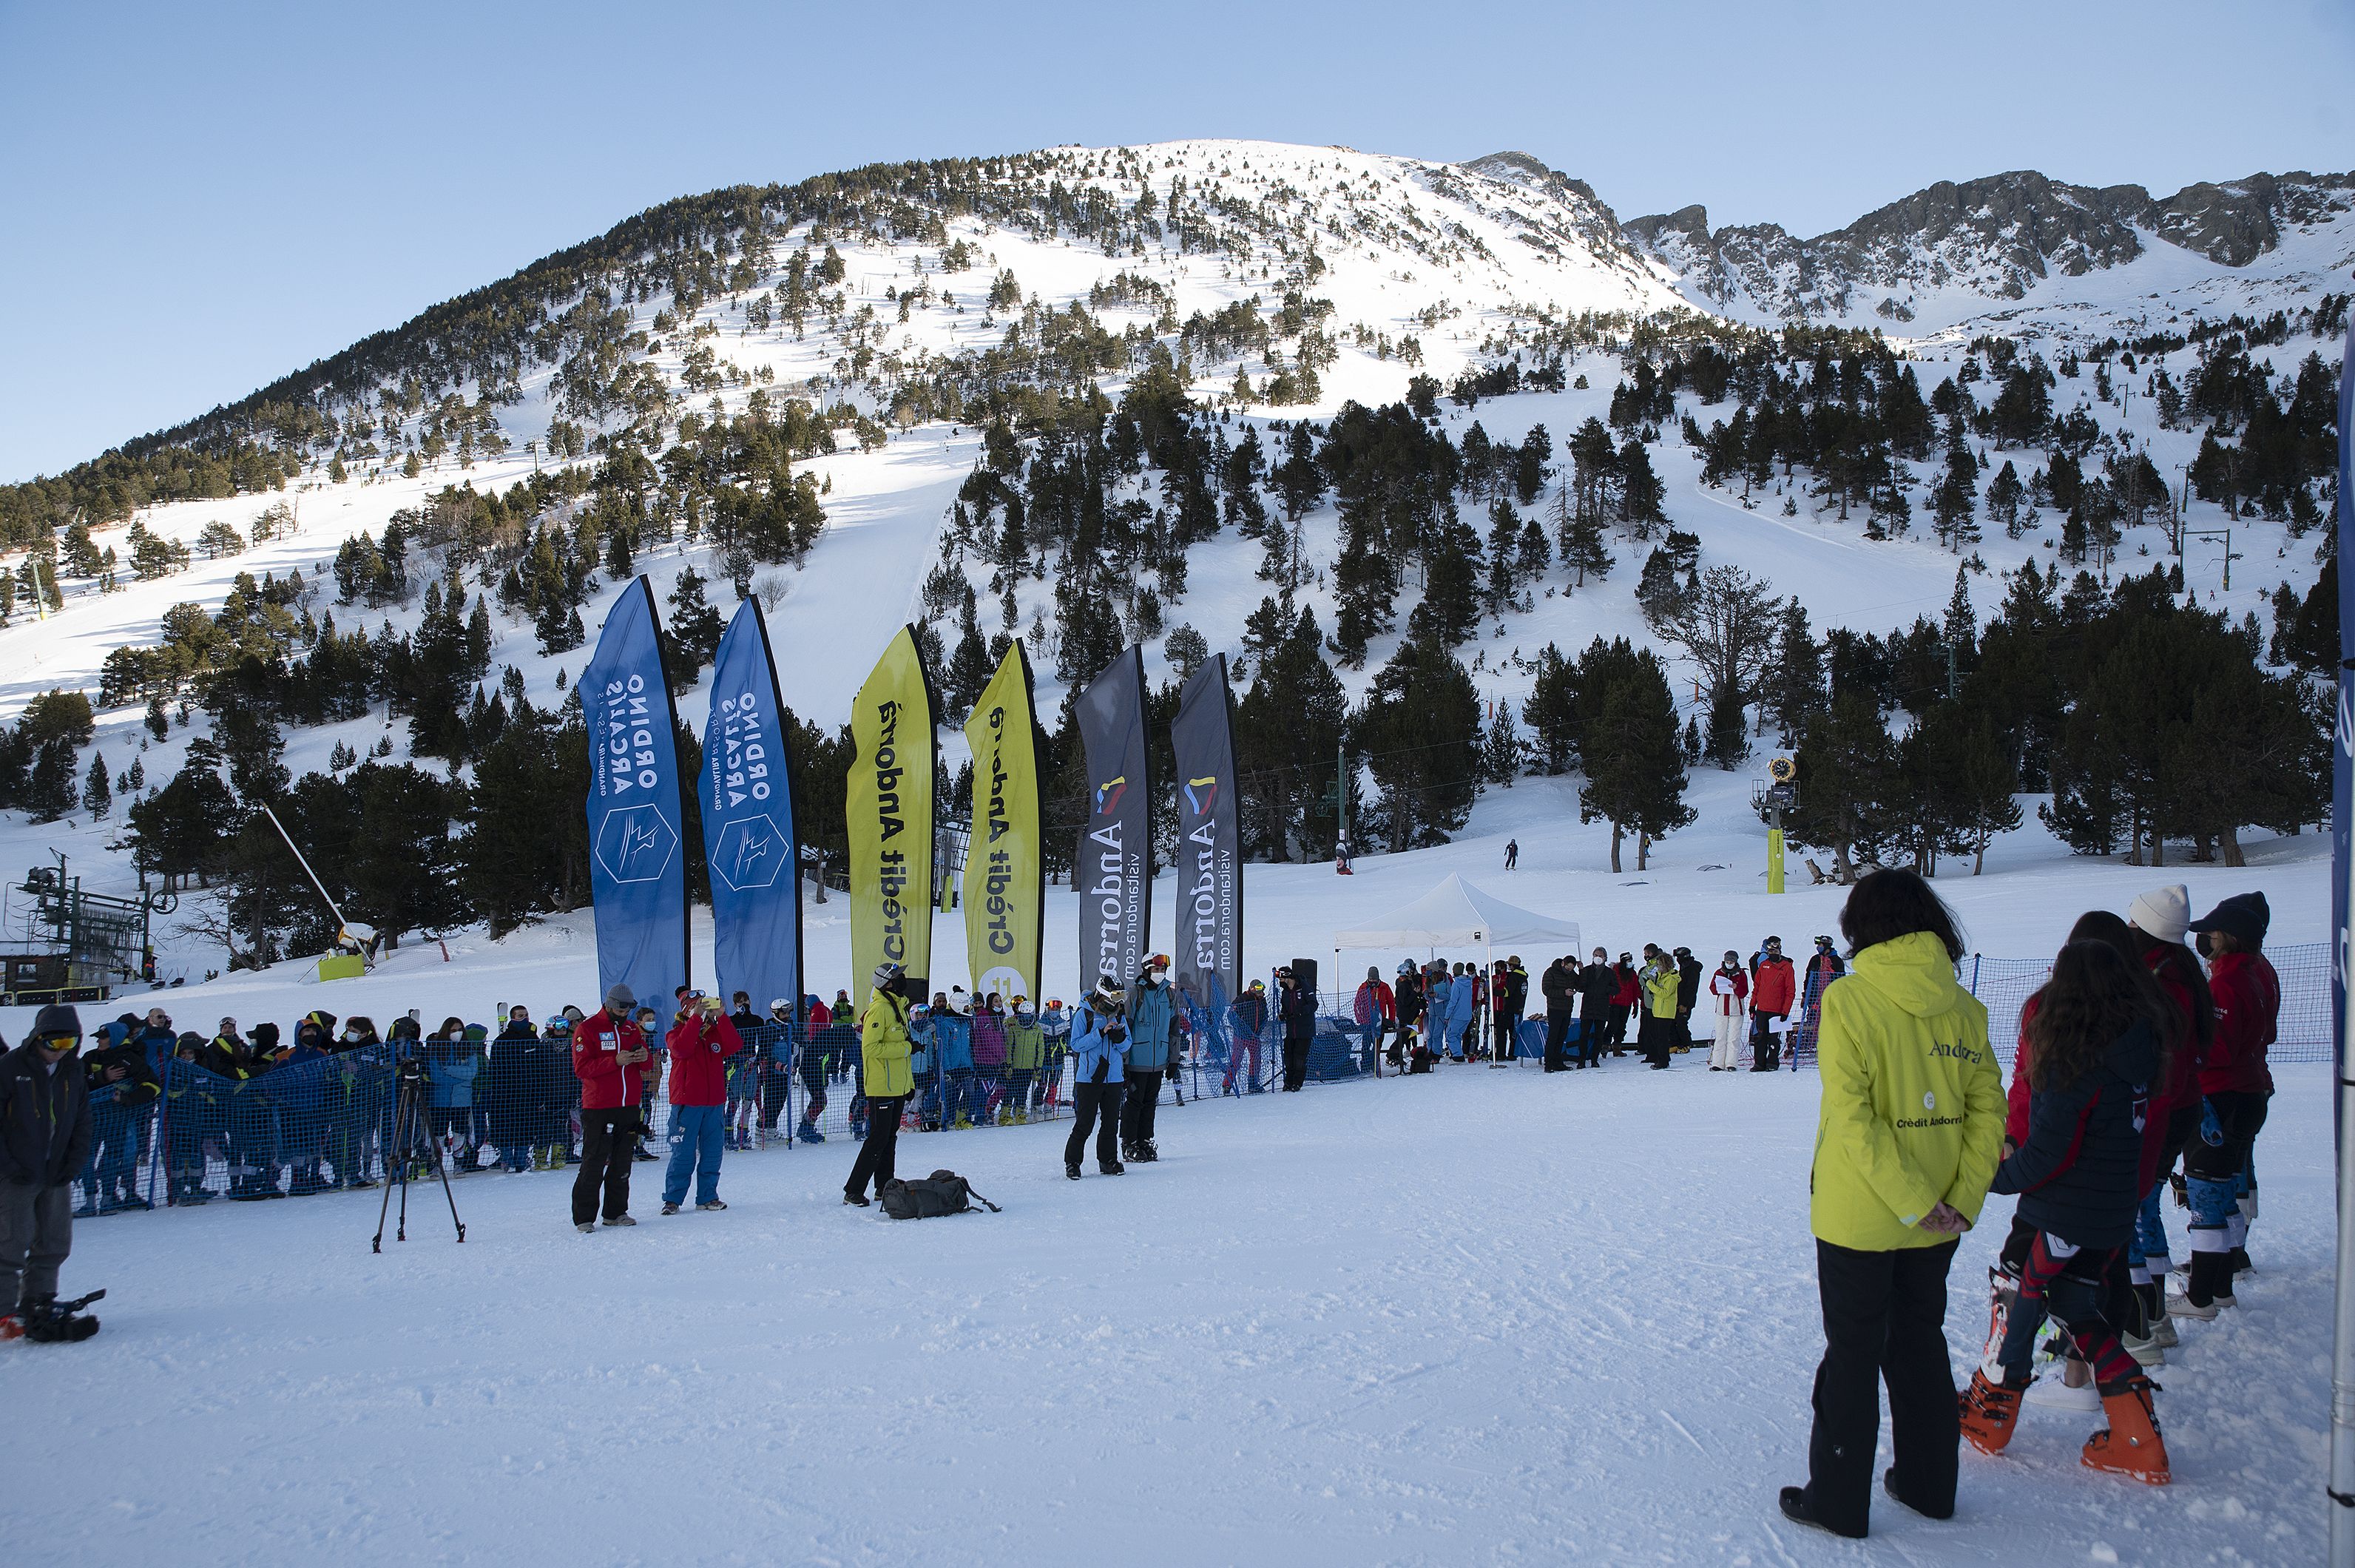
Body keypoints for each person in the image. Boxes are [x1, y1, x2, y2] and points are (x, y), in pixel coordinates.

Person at [1780, 871, 2002, 1541]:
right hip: (1938, 1219)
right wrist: (1956, 1202)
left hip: (1863, 1216)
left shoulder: (1849, 1000)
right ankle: (1930, 1486)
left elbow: (1854, 1117)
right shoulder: (1963, 1008)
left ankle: (1839, 1502)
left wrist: (1915, 1202)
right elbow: (1989, 1112)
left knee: (1852, 1352)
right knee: (1918, 1347)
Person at [1959, 938, 2170, 1484]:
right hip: (2111, 1212)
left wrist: (1992, 1179)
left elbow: (2050, 1154)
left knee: (2021, 1302)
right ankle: (2139, 1435)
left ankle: (1991, 1415)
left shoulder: (2075, 1059)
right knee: (2077, 1308)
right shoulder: (2136, 1046)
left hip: (2066, 1215)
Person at [2173, 892, 2276, 1319]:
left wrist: (2178, 1048)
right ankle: (2221, 1285)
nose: (2204, 940)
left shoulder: (2225, 984)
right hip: (2250, 1091)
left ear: (2229, 937)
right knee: (2226, 1189)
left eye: (2210, 934)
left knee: (2205, 1195)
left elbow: (2216, 1051)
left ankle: (2201, 1297)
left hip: (2219, 1099)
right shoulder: (2260, 972)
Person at [0, 1005, 95, 1338]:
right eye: (55, 1044)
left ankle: (38, 1301)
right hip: (16, 1174)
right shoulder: (11, 1067)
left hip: (55, 1172)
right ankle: (3, 1312)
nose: (60, 1052)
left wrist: (72, 1163)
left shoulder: (73, 1070)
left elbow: (82, 1121)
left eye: (70, 1043)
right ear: (38, 1039)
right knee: (9, 1243)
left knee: (54, 1242)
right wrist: (9, 1166)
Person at [570, 983, 652, 1232]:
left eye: (628, 1009)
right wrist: (614, 1061)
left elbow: (646, 1063)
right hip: (599, 1106)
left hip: (628, 1105)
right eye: (621, 1008)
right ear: (610, 1005)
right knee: (594, 1160)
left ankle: (616, 1212)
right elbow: (582, 1068)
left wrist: (642, 1057)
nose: (625, 1013)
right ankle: (584, 1216)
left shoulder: (631, 1029)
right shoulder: (588, 1028)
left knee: (622, 1161)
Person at [660, 990, 743, 1214]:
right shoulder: (675, 1033)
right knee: (683, 1154)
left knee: (713, 1152)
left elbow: (735, 1046)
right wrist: (696, 1019)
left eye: (704, 1007)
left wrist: (722, 1017)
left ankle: (708, 1196)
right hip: (687, 1104)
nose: (703, 1011)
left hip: (714, 1103)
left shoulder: (714, 1033)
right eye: (697, 1007)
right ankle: (673, 1199)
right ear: (687, 1011)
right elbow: (681, 1049)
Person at [845, 965, 913, 1207]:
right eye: (897, 977)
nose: (902, 980)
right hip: (880, 1087)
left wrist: (909, 1084)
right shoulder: (879, 1010)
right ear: (888, 983)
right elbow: (871, 1048)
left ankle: (884, 1185)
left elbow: (904, 1047)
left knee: (889, 1138)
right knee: (877, 1138)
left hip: (896, 1086)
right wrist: (905, 1049)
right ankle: (853, 1190)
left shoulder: (898, 1007)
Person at [78, 1022, 158, 1214]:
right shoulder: (90, 1057)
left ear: (114, 1038)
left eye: (103, 1037)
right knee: (85, 1158)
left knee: (112, 1159)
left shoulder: (130, 1059)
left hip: (118, 1118)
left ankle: (108, 1200)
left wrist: (127, 1098)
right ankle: (90, 1201)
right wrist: (102, 1077)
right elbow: (76, 1082)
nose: (99, 1040)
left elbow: (153, 1087)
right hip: (91, 1118)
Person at [1066, 977, 1129, 1177]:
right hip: (1089, 1079)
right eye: (1115, 996)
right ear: (1103, 993)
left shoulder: (1119, 1015)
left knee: (1111, 1123)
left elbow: (1128, 1045)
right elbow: (1076, 1044)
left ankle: (1108, 1160)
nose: (1118, 1001)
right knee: (1085, 1123)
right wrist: (1100, 1034)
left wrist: (1118, 1038)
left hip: (1113, 1079)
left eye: (1121, 996)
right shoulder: (1084, 1014)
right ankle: (1073, 1163)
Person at [1124, 957, 1176, 1160]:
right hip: (1138, 1059)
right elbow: (1126, 1026)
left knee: (1150, 1103)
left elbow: (1174, 1029)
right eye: (1156, 968)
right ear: (1146, 970)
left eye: (1162, 969)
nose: (1160, 972)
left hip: (1158, 1061)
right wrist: (1124, 1061)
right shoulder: (1136, 993)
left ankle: (1145, 1140)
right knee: (1134, 1102)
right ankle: (1129, 1142)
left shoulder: (1169, 994)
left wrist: (1174, 1059)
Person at [1798, 934, 1848, 1065]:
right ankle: (1813, 1044)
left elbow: (1841, 980)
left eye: (1820, 945)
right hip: (1814, 997)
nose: (1818, 947)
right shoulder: (1814, 960)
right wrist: (1805, 995)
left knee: (1831, 1023)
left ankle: (1831, 1047)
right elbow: (1808, 977)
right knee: (1813, 1020)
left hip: (1831, 998)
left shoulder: (1837, 961)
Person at [1749, 936, 1797, 1072]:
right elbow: (1757, 986)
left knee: (1773, 1039)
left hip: (1777, 1010)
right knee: (1760, 1038)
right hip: (1762, 1008)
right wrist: (1753, 1005)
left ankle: (1772, 1063)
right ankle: (1759, 1063)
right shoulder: (1764, 966)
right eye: (1770, 952)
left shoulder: (1786, 967)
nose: (1772, 954)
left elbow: (1790, 991)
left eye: (1775, 952)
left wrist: (1785, 1011)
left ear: (1780, 952)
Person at [1638, 946, 1680, 1069]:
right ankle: (1660, 1057)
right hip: (1658, 1010)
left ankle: (1663, 1061)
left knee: (1662, 1037)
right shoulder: (1662, 976)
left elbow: (1664, 993)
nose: (1658, 967)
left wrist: (1649, 984)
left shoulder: (1671, 978)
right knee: (1656, 1035)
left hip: (1665, 1011)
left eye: (1660, 965)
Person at [1706, 950, 1749, 1071]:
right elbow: (1713, 988)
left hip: (1736, 1009)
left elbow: (1744, 991)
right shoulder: (1719, 973)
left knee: (1733, 1038)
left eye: (1731, 962)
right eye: (1727, 962)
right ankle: (1717, 1063)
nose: (1729, 964)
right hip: (1721, 1010)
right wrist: (1720, 987)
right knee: (1720, 1037)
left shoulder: (1741, 974)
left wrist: (1736, 988)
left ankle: (1731, 1063)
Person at [1004, 999, 1044, 1123]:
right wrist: (1008, 1064)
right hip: (1015, 1066)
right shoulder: (1014, 1029)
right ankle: (1004, 1115)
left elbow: (1040, 1048)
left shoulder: (1037, 1029)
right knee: (1010, 1090)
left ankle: (1019, 1113)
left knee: (1023, 1091)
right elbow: (1009, 1047)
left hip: (1029, 1066)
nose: (1025, 1018)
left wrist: (1038, 1066)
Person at [1280, 967, 1318, 1091]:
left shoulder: (1304, 987)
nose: (1280, 981)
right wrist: (1283, 1015)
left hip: (1304, 1030)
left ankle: (1297, 1083)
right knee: (1289, 1058)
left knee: (1299, 1059)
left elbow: (1313, 1004)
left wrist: (1301, 1012)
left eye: (1281, 978)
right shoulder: (1285, 992)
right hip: (1291, 1031)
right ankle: (1288, 1082)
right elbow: (1284, 1007)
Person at [1353, 965, 1396, 1075]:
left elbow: (1391, 1004)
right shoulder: (1363, 987)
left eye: (1374, 980)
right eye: (1371, 979)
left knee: (1378, 1044)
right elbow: (1357, 1004)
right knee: (1366, 1045)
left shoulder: (1385, 987)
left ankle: (1374, 1063)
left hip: (1380, 1022)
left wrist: (1391, 1020)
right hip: (1366, 1023)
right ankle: (1365, 1065)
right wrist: (1360, 1019)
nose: (1372, 981)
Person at [1226, 981, 1266, 1095]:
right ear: (1252, 989)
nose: (1262, 993)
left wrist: (1259, 1030)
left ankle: (1253, 1083)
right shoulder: (1242, 999)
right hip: (1241, 1036)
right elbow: (1231, 1016)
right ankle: (1227, 1084)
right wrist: (1240, 1029)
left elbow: (1265, 1016)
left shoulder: (1262, 1001)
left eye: (1262, 991)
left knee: (1256, 1060)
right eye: (1259, 991)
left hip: (1254, 1036)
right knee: (1236, 1060)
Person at [1541, 955, 1577, 1072]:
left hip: (1567, 1009)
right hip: (1554, 1008)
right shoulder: (1550, 972)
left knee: (1562, 1037)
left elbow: (1580, 984)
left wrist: (1581, 971)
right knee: (1553, 1036)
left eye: (1571, 969)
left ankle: (1558, 1062)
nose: (1569, 971)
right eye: (1567, 968)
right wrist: (1563, 993)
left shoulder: (1572, 974)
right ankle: (1548, 1063)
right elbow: (1546, 990)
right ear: (1563, 963)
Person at [1391, 960, 1423, 1068]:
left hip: (1407, 1015)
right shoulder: (1403, 986)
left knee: (1404, 1037)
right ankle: (1392, 1055)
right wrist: (1414, 993)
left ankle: (1395, 1056)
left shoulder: (1405, 984)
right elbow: (1405, 1001)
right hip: (1404, 1016)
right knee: (1402, 1037)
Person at [1606, 953, 1638, 1057]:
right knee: (1612, 1025)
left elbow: (1635, 990)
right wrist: (1610, 1003)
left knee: (1622, 1026)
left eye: (1631, 960)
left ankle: (1617, 1046)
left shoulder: (1632, 973)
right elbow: (1610, 987)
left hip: (1627, 1003)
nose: (1629, 962)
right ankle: (1605, 1045)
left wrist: (1635, 1004)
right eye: (1627, 960)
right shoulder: (1614, 971)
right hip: (1615, 1003)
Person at [1672, 946, 1703, 1055]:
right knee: (1675, 1022)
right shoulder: (1684, 966)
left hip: (1686, 1002)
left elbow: (1691, 987)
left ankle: (1686, 1044)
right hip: (1679, 1000)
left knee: (1681, 1022)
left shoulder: (1692, 968)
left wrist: (1685, 1004)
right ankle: (1677, 1043)